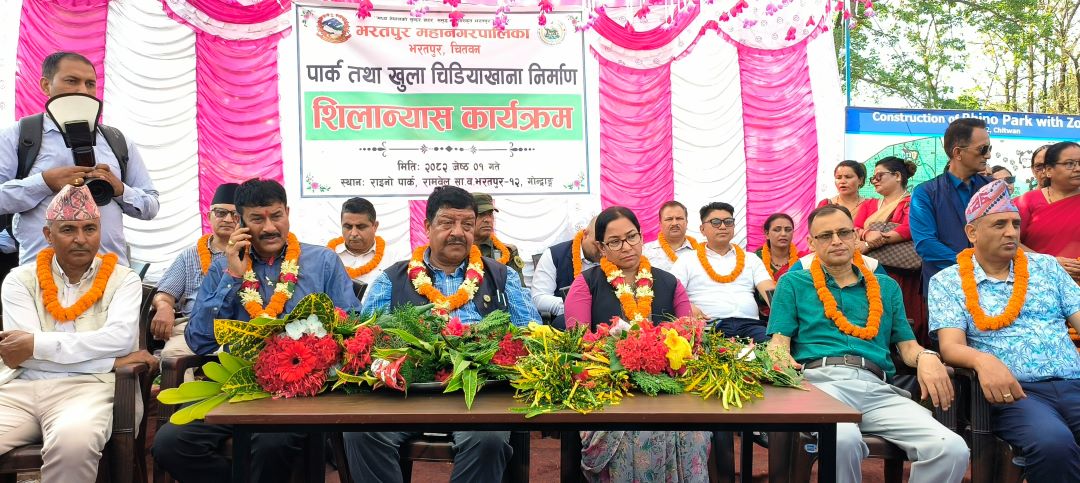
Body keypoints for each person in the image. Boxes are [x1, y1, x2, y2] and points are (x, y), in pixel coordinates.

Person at [152, 178, 361, 483]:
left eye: (276, 216)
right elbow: (199, 341)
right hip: (238, 387)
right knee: (170, 444)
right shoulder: (223, 268)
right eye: (257, 219)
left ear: (287, 212)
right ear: (240, 222)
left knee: (270, 443)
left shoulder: (322, 261)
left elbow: (351, 326)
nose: (269, 227)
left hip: (303, 393)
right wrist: (232, 278)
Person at [346, 186, 537, 483]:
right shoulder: (391, 278)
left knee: (488, 440)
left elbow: (531, 334)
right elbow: (366, 339)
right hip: (407, 392)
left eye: (467, 224)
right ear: (427, 227)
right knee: (361, 433)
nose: (458, 232)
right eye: (447, 223)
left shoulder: (502, 276)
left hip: (479, 394)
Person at [766, 204, 968, 483]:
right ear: (811, 243)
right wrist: (778, 356)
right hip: (821, 385)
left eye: (843, 232)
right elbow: (778, 342)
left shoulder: (886, 287)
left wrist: (928, 357)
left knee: (951, 448)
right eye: (825, 236)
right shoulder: (793, 283)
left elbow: (908, 347)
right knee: (842, 438)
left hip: (877, 389)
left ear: (855, 236)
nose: (836, 241)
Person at [0, 184, 156, 483]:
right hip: (19, 388)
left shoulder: (124, 279)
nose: (81, 239)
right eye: (68, 229)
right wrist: (110, 362)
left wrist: (37, 345)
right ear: (48, 235)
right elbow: (22, 355)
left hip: (89, 390)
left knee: (73, 445)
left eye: (90, 229)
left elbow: (120, 339)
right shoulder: (19, 280)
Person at [929, 179, 1080, 483]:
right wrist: (982, 360)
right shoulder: (948, 281)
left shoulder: (1047, 268)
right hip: (1016, 394)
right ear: (972, 232)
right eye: (999, 224)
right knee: (1054, 444)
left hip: (1073, 383)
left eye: (1015, 224)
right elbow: (950, 346)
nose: (1011, 232)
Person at [561, 206, 707, 482]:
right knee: (638, 434)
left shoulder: (670, 283)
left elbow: (689, 340)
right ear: (601, 248)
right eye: (615, 242)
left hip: (668, 389)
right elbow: (578, 345)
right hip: (608, 388)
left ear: (641, 236)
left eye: (631, 237)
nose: (626, 247)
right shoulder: (586, 284)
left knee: (693, 433)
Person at [0, 51, 159, 267]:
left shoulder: (118, 141)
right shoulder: (17, 137)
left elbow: (151, 206)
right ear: (46, 85)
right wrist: (44, 182)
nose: (83, 91)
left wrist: (120, 189)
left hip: (109, 275)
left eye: (90, 84)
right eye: (72, 81)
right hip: (41, 274)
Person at [150, 182, 238, 360]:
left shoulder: (253, 254)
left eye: (236, 215)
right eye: (221, 213)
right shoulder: (190, 255)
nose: (228, 219)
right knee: (172, 356)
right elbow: (164, 294)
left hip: (238, 328)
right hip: (194, 327)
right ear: (209, 216)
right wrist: (164, 307)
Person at [910, 117, 993, 295]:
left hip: (992, 285)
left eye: (989, 148)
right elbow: (926, 244)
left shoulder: (993, 189)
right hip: (944, 287)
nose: (988, 155)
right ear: (958, 152)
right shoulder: (925, 193)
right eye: (982, 149)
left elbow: (1006, 233)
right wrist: (972, 265)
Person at [671, 202, 774, 342]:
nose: (723, 226)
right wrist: (687, 307)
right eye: (715, 222)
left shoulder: (751, 259)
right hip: (708, 327)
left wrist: (782, 320)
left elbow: (769, 291)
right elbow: (671, 291)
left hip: (750, 325)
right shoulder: (687, 259)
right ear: (702, 229)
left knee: (775, 349)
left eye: (728, 222)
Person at [854, 156, 928, 345]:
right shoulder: (869, 204)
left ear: (897, 176)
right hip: (871, 268)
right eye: (873, 178)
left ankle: (908, 351)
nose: (874, 180)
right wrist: (868, 233)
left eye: (879, 176)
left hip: (902, 272)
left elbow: (909, 228)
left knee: (903, 313)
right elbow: (854, 228)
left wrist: (870, 243)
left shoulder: (912, 202)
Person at [1014, 141, 1080, 266]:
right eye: (1069, 164)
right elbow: (1008, 242)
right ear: (1049, 170)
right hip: (1036, 274)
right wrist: (1049, 263)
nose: (1078, 169)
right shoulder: (1026, 202)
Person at [326, 197, 401, 302]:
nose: (353, 233)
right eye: (348, 227)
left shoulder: (393, 260)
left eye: (361, 227)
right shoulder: (327, 258)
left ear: (375, 226)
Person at [530, 215, 600, 320]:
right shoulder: (554, 255)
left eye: (606, 244)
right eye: (597, 244)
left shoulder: (616, 254)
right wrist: (575, 306)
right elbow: (539, 297)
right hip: (568, 320)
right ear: (585, 235)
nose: (602, 250)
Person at [471, 192, 525, 284]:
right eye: (481, 214)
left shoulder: (508, 251)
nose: (488, 220)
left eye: (490, 214)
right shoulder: (458, 250)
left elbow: (519, 288)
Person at [641, 200, 698, 272]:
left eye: (679, 218)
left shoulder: (699, 252)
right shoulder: (645, 251)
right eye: (669, 219)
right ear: (660, 224)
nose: (674, 223)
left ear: (686, 222)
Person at [753, 213, 800, 281]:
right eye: (777, 230)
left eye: (788, 230)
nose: (783, 234)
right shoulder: (755, 259)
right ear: (767, 234)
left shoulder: (803, 259)